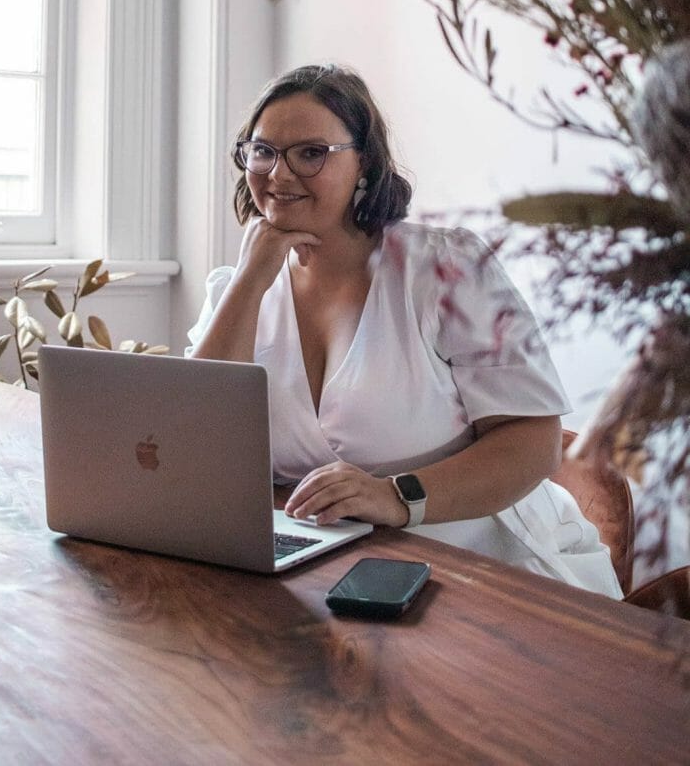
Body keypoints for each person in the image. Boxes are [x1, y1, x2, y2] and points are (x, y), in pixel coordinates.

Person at [186, 63, 623, 597]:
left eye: (310, 153)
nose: (278, 175)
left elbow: (534, 442)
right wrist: (252, 278)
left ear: (364, 163)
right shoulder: (236, 290)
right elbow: (196, 441)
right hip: (328, 574)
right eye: (263, 151)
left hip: (484, 565)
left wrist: (398, 496)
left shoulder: (447, 268)